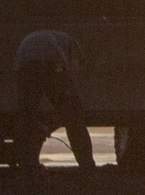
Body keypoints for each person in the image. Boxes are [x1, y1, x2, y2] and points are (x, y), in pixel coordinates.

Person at [14, 24, 94, 169]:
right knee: (74, 117)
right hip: (51, 62)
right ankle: (87, 165)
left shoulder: (53, 38)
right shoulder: (73, 45)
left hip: (25, 62)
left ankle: (27, 166)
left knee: (28, 117)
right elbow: (73, 75)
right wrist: (74, 99)